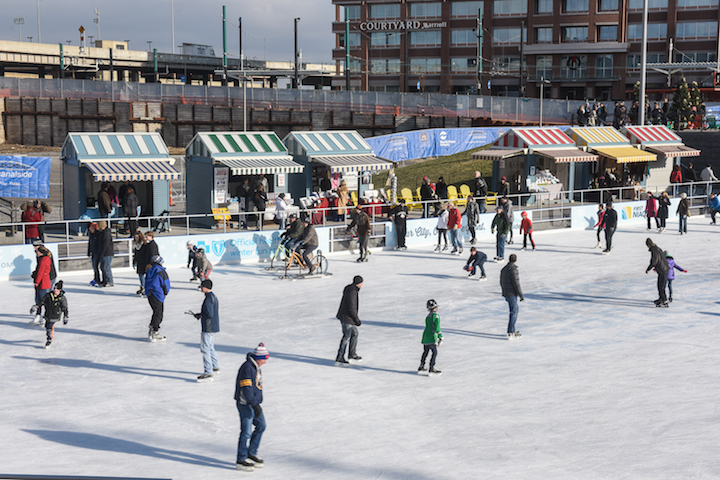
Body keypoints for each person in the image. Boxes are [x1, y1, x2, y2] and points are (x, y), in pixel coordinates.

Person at [234, 343, 269, 471]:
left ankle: (251, 452)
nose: (265, 362)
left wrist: (256, 403)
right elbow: (246, 388)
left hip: (254, 403)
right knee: (246, 431)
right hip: (246, 404)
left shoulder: (255, 366)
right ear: (259, 357)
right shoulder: (247, 367)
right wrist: (254, 405)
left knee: (261, 425)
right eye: (264, 359)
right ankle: (241, 458)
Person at [193, 279, 220, 382]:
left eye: (202, 287)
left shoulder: (208, 299)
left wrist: (200, 315)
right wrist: (200, 314)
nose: (201, 288)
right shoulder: (213, 297)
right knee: (210, 347)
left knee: (205, 349)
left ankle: (208, 372)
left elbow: (209, 314)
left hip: (208, 328)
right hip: (213, 326)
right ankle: (215, 367)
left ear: (206, 287)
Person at [335, 275, 363, 365]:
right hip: (347, 317)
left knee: (355, 333)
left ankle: (352, 354)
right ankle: (340, 356)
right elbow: (352, 307)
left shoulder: (352, 289)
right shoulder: (352, 292)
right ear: (359, 283)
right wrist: (357, 320)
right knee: (346, 336)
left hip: (348, 317)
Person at [145, 255, 170, 342]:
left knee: (156, 312)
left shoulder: (149, 270)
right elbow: (165, 284)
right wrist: (165, 292)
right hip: (158, 294)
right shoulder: (161, 272)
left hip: (150, 294)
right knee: (159, 314)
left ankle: (152, 329)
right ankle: (154, 331)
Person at [29, 245, 55, 326]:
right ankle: (40, 316)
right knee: (41, 301)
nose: (36, 253)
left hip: (43, 283)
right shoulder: (45, 258)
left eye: (37, 251)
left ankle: (44, 317)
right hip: (45, 282)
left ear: (41, 252)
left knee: (42, 301)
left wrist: (36, 282)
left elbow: (40, 272)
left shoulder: (43, 260)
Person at [500, 254, 524, 340]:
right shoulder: (513, 269)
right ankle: (511, 332)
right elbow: (516, 283)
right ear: (515, 260)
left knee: (513, 311)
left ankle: (511, 329)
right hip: (512, 294)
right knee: (514, 312)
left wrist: (504, 291)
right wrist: (520, 294)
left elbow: (501, 281)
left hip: (506, 293)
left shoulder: (504, 269)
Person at [41, 280, 69, 348]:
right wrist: (36, 306)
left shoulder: (62, 298)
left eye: (57, 289)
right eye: (54, 289)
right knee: (47, 326)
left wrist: (65, 316)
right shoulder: (48, 295)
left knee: (49, 327)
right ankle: (50, 335)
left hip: (55, 315)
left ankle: (49, 339)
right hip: (47, 314)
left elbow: (64, 308)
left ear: (60, 290)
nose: (55, 290)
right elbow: (42, 301)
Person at [418, 299, 443, 375]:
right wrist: (440, 336)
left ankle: (422, 365)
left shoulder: (428, 316)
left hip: (425, 336)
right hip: (431, 337)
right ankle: (432, 367)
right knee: (434, 352)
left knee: (425, 351)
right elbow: (437, 327)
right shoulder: (436, 316)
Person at [645, 238, 669, 307]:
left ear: (648, 245)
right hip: (664, 268)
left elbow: (654, 261)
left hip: (663, 270)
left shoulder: (654, 250)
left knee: (661, 286)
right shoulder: (658, 248)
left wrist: (648, 268)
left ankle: (664, 300)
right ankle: (661, 298)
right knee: (660, 285)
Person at [96, 221, 114, 287]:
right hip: (104, 253)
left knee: (106, 267)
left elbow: (105, 244)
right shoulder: (102, 233)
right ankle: (105, 280)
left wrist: (102, 253)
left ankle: (110, 281)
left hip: (107, 253)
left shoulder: (106, 233)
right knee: (102, 267)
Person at [133, 230, 148, 296]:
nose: (136, 239)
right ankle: (142, 286)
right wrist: (134, 262)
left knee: (144, 275)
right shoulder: (136, 245)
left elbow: (146, 254)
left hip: (144, 262)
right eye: (135, 237)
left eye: (137, 237)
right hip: (139, 262)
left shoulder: (144, 244)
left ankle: (145, 287)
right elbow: (136, 254)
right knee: (140, 274)